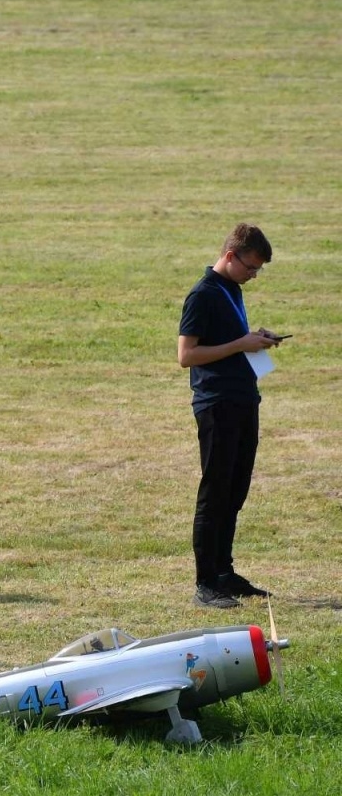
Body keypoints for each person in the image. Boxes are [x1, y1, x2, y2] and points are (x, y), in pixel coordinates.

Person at [177, 223, 280, 609]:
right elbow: (186, 355)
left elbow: (227, 342)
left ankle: (225, 572)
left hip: (243, 399)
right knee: (215, 491)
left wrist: (255, 339)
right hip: (216, 403)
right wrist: (241, 343)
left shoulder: (230, 289)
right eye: (250, 268)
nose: (253, 276)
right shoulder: (202, 294)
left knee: (235, 490)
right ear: (231, 256)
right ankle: (206, 582)